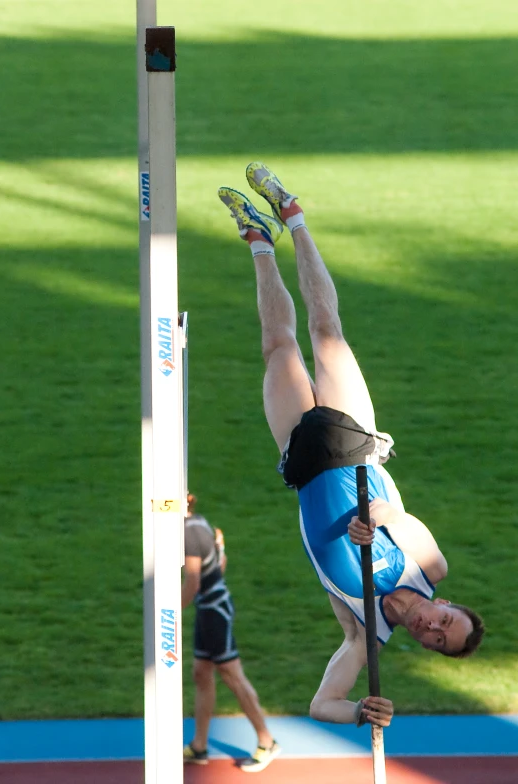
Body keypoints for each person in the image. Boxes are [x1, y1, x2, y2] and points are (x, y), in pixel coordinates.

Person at [217, 163, 485, 729]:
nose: (432, 629)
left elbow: (321, 704)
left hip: (305, 461)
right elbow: (395, 514)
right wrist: (371, 521)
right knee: (326, 331)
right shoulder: (429, 565)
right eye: (446, 621)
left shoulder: (363, 632)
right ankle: (294, 215)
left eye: (438, 641)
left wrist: (362, 710)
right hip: (354, 445)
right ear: (448, 603)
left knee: (277, 347)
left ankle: (259, 241)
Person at [182, 493, 280, 771]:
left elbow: (192, 582)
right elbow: (219, 565)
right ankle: (199, 746)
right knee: (201, 672)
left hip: (214, 612)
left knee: (231, 675)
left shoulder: (189, 534)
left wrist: (169, 615)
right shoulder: (199, 523)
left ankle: (267, 741)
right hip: (209, 609)